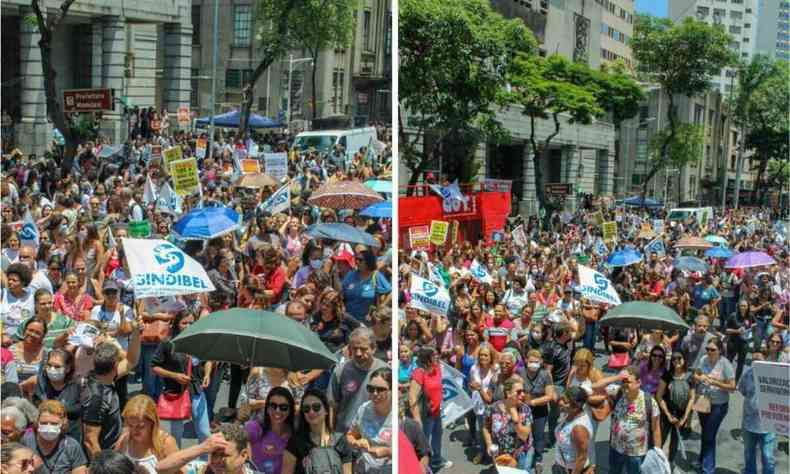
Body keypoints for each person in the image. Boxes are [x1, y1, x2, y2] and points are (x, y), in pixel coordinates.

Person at [151, 310, 211, 447]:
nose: (189, 326)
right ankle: (176, 463)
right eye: (184, 323)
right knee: (175, 435)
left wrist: (207, 374)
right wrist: (174, 375)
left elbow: (208, 360)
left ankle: (204, 464)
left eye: (191, 322)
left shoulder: (198, 341)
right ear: (177, 324)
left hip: (196, 391)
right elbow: (154, 366)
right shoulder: (168, 343)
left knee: (204, 432)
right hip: (175, 392)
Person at [82, 339, 140, 458]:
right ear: (115, 366)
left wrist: (136, 332)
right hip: (106, 460)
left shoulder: (105, 377)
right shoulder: (97, 398)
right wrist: (104, 468)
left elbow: (131, 360)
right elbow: (90, 440)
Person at [328, 327, 387, 436]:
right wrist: (332, 433)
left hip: (374, 437)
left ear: (373, 348)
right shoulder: (341, 371)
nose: (358, 353)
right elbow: (333, 405)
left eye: (363, 349)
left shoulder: (385, 372)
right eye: (354, 348)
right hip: (343, 435)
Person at [693, 336, 735, 474]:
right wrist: (700, 378)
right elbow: (696, 375)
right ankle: (701, 460)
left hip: (718, 405)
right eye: (708, 349)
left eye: (713, 349)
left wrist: (715, 382)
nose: (709, 352)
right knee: (705, 433)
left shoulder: (725, 364)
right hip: (703, 401)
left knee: (709, 436)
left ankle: (708, 469)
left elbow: (732, 387)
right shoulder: (703, 359)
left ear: (720, 350)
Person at [282, 388, 351, 474]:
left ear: (326, 410)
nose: (311, 412)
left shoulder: (340, 440)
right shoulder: (295, 442)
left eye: (316, 407)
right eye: (306, 408)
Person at [607, 365, 661, 474]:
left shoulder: (649, 402)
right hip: (616, 448)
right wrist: (617, 377)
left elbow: (656, 429)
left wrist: (658, 454)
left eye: (628, 382)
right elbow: (595, 387)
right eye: (623, 382)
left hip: (636, 453)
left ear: (638, 382)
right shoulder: (618, 392)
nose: (625, 385)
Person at [408, 345, 450, 472]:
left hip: (436, 412)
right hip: (425, 415)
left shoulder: (437, 368)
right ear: (427, 358)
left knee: (438, 436)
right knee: (423, 443)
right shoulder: (419, 372)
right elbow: (412, 396)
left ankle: (436, 460)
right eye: (434, 355)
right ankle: (421, 468)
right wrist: (417, 418)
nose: (437, 356)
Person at [738, 344, 777, 474]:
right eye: (753, 360)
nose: (755, 363)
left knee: (767, 457)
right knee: (749, 454)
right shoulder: (747, 374)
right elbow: (742, 390)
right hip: (749, 423)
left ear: (765, 359)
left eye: (758, 360)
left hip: (768, 424)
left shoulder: (774, 376)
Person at [20, 400, 88, 473]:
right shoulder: (27, 441)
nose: (48, 427)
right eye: (44, 423)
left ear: (62, 424)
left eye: (54, 424)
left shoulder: (72, 446)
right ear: (37, 422)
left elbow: (79, 471)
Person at [116, 394, 179, 474]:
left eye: (141, 426)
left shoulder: (165, 443)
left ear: (152, 423)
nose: (134, 430)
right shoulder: (125, 439)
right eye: (130, 425)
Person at [347, 367, 393, 473]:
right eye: (371, 389)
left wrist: (388, 451)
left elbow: (410, 452)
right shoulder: (363, 409)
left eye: (380, 389)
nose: (375, 393)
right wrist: (357, 442)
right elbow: (350, 436)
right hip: (364, 468)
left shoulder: (399, 415)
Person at [655, 351, 695, 471]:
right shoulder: (667, 375)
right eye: (673, 359)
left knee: (675, 441)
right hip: (667, 414)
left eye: (679, 358)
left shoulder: (689, 376)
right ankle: (656, 462)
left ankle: (670, 462)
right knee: (660, 439)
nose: (676, 361)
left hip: (681, 415)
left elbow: (692, 398)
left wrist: (684, 418)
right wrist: (667, 414)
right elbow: (659, 396)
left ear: (684, 360)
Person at [482, 378, 534, 470]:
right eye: (518, 392)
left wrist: (515, 417)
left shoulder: (525, 410)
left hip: (521, 455)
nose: (522, 394)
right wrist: (489, 444)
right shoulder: (493, 408)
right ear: (508, 393)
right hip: (501, 454)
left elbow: (524, 436)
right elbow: (486, 427)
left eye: (523, 391)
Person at [32, 349, 83, 441]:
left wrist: (57, 408)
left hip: (69, 434)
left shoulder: (77, 385)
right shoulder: (41, 381)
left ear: (67, 368)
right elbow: (36, 402)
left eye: (57, 366)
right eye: (49, 365)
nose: (52, 369)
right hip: (43, 431)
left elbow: (79, 409)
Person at [244, 386, 294, 474]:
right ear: (267, 408)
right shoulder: (254, 428)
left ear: (290, 411)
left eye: (283, 407)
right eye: (273, 406)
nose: (277, 410)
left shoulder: (293, 437)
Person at [341, 250, 391, 323]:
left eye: (360, 260)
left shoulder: (376, 276)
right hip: (347, 320)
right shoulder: (350, 275)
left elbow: (390, 292)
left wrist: (382, 306)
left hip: (366, 323)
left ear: (368, 261)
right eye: (356, 259)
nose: (357, 262)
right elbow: (342, 293)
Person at [553, 386, 594, 474]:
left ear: (575, 405)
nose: (560, 402)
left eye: (565, 401)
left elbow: (582, 457)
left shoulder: (579, 429)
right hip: (561, 466)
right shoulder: (569, 413)